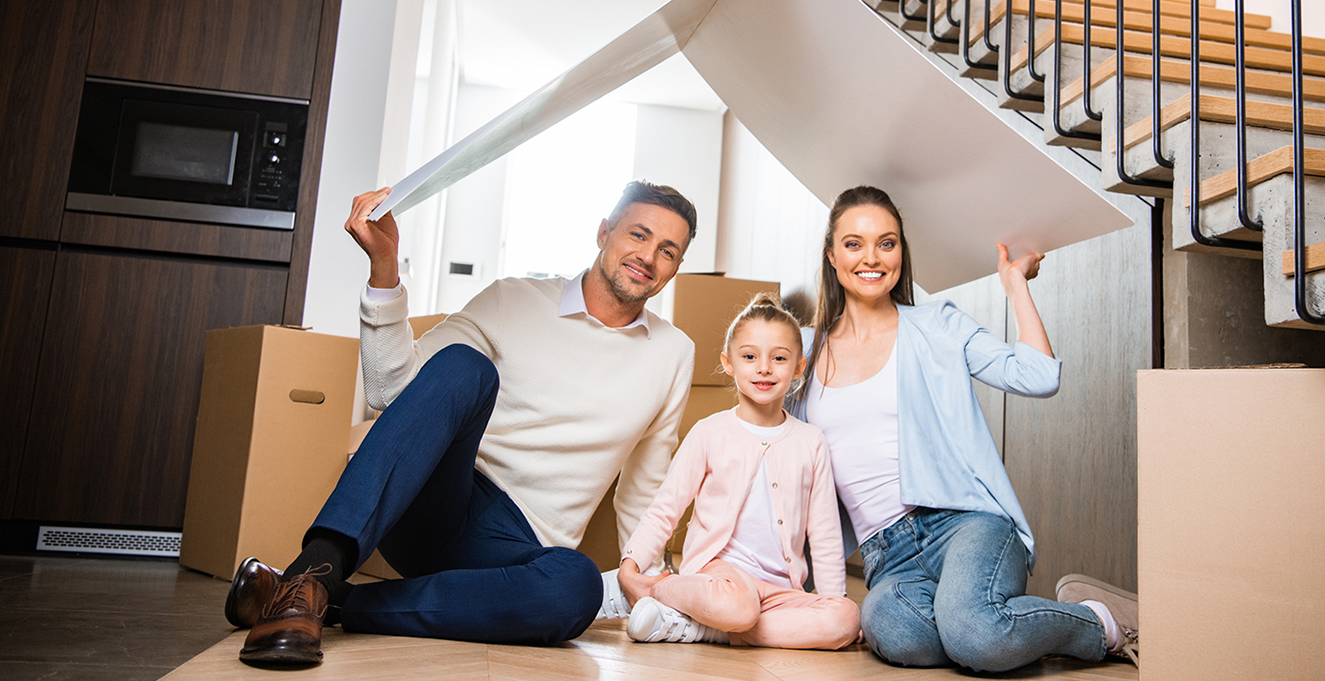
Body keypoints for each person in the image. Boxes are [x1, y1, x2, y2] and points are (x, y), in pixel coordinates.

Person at [225, 180, 699, 666]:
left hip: (515, 547)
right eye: (638, 235)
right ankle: (311, 577)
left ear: (676, 266)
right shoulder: (512, 299)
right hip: (440, 500)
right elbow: (391, 390)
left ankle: (324, 602)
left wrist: (644, 573)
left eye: (668, 250)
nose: (648, 256)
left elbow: (646, 483)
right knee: (462, 366)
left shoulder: (673, 353)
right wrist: (384, 268)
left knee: (576, 586)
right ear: (604, 233)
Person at [789, 185, 1139, 672]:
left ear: (901, 254)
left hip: (964, 524)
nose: (871, 257)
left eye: (886, 243)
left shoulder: (936, 326)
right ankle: (995, 620)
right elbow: (769, 449)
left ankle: (1100, 622)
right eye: (854, 243)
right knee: (901, 636)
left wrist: (1016, 285)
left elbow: (1037, 377)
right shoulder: (801, 350)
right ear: (831, 255)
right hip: (884, 555)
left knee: (975, 637)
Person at [616, 294, 861, 650]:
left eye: (779, 358)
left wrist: (832, 599)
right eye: (749, 357)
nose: (764, 368)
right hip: (721, 579)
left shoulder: (811, 441)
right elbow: (666, 508)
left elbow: (824, 533)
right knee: (736, 605)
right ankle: (658, 591)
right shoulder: (709, 432)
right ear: (728, 363)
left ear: (798, 368)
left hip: (782, 589)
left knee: (845, 618)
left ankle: (706, 630)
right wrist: (632, 565)